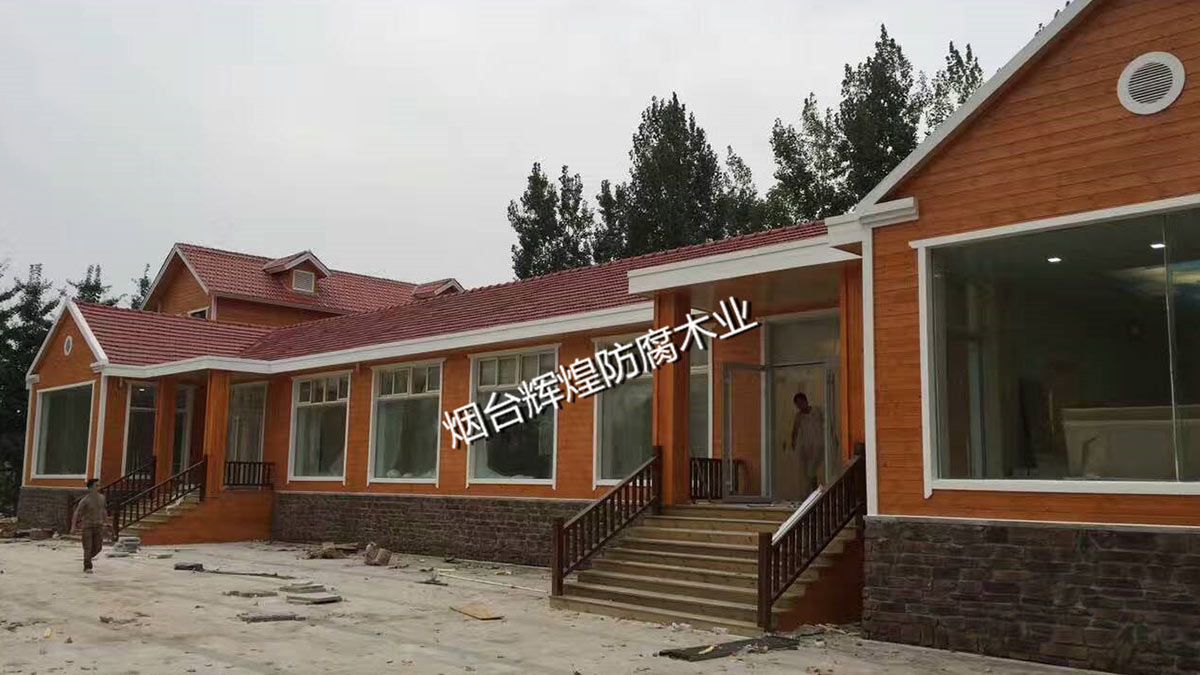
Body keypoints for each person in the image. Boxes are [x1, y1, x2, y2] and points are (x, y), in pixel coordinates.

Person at [789, 392, 825, 494]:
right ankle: (813, 492)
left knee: (819, 470)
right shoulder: (799, 417)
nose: (799, 406)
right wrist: (793, 443)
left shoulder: (818, 411)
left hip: (820, 446)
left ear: (805, 401)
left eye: (801, 403)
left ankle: (818, 491)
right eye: (797, 404)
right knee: (810, 472)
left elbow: (828, 424)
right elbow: (795, 431)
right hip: (808, 448)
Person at [71, 479, 108, 574]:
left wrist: (106, 522)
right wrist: (73, 527)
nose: (98, 487)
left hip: (98, 525)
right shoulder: (85, 500)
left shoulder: (102, 498)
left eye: (99, 485)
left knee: (98, 547)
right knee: (88, 547)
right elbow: (76, 513)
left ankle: (87, 557)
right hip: (87, 526)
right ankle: (87, 566)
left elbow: (103, 511)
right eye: (96, 486)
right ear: (90, 488)